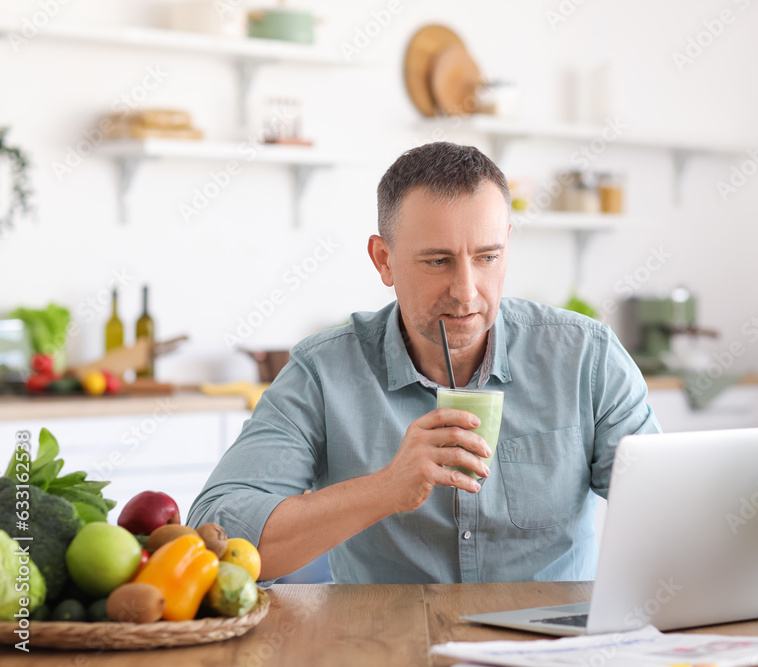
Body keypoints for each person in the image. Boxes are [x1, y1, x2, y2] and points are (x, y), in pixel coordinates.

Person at [188, 142, 661, 584]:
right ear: (384, 260)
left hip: (551, 648)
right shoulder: (323, 372)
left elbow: (671, 512)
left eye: (487, 256)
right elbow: (214, 536)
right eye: (438, 261)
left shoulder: (586, 357)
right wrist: (386, 488)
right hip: (388, 645)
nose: (466, 290)